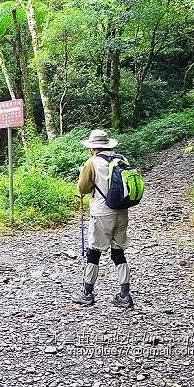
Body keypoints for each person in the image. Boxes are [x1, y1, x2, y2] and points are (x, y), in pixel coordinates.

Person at [73, 129, 134, 308]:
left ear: (93, 148)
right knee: (118, 252)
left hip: (102, 213)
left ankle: (87, 293)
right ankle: (124, 295)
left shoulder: (92, 163)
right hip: (122, 211)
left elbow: (82, 188)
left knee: (94, 252)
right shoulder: (121, 160)